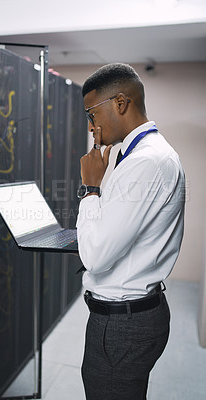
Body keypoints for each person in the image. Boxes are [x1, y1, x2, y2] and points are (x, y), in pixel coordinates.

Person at [76, 63, 185, 400]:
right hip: (129, 316)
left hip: (122, 324)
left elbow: (95, 257)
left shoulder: (147, 161)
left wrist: (90, 188)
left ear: (120, 103)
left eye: (92, 114)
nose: (91, 125)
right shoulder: (135, 154)